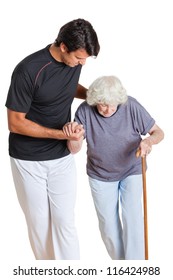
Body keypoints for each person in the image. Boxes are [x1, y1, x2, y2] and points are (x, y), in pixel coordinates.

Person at [5, 18, 100, 260]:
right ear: (64, 47)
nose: (82, 63)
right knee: (40, 225)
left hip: (61, 158)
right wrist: (61, 134)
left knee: (65, 222)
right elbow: (15, 123)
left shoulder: (74, 62)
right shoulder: (28, 70)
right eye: (79, 58)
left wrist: (92, 95)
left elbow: (65, 85)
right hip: (29, 160)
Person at [63, 75, 164, 260]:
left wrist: (148, 141)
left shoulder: (131, 105)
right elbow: (73, 150)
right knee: (108, 226)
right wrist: (73, 137)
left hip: (132, 168)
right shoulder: (85, 110)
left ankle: (136, 267)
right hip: (100, 174)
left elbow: (158, 132)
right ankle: (121, 266)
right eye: (102, 104)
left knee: (133, 218)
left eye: (113, 104)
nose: (108, 109)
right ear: (94, 100)